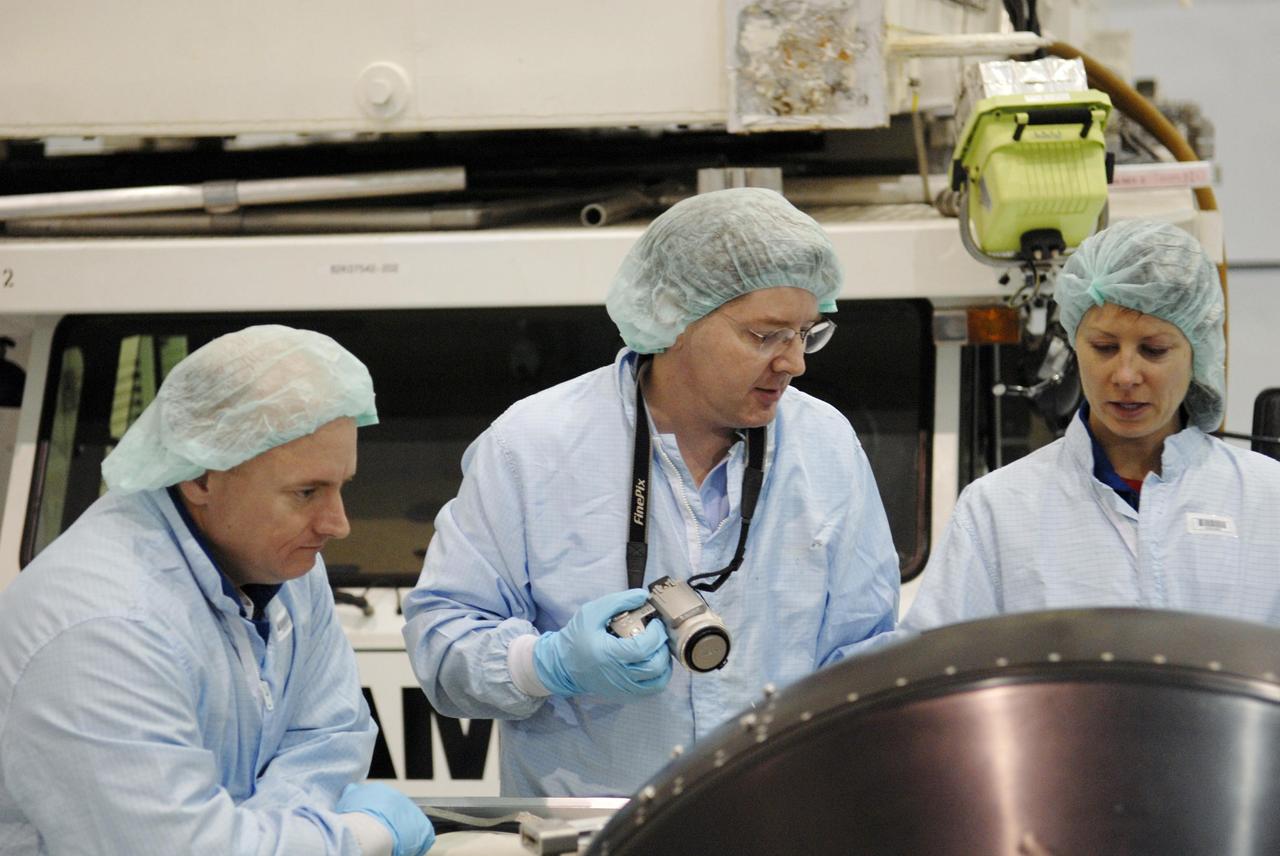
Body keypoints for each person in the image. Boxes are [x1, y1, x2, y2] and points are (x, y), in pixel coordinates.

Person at [402, 187, 901, 797]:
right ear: (674, 318)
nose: (793, 363)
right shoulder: (531, 447)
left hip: (777, 821)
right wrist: (547, 664)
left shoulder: (825, 444)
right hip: (594, 833)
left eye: (806, 332)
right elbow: (443, 646)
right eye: (766, 335)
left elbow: (867, 651)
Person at [0, 326, 434, 856]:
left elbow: (332, 735)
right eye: (306, 492)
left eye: (342, 485)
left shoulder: (286, 567)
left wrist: (256, 837)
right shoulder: (103, 628)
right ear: (202, 478)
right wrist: (352, 839)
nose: (337, 524)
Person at [904, 219, 1280, 631]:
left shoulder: (1266, 501)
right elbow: (936, 664)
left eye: (1153, 350)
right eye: (1104, 347)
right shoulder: (999, 509)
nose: (1125, 375)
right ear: (1074, 346)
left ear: (1198, 353)